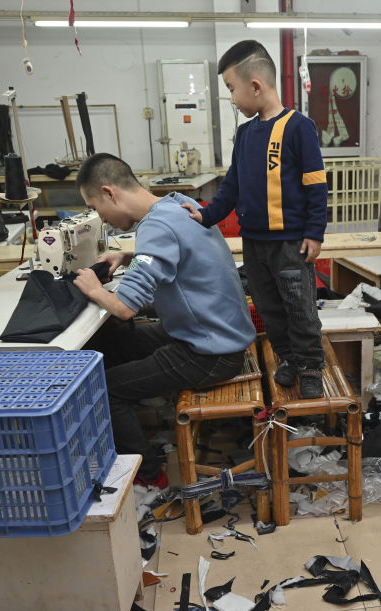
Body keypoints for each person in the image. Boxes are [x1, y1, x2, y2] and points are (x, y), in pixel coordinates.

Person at [72, 153, 256, 488]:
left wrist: (94, 288)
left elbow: (124, 308)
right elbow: (177, 249)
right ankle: (122, 436)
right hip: (211, 333)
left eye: (96, 207)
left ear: (110, 193)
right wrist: (128, 255)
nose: (103, 219)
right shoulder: (178, 204)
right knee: (112, 344)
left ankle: (150, 475)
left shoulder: (155, 226)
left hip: (209, 353)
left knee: (105, 390)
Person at [181, 39, 328, 399]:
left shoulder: (299, 127)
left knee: (300, 308)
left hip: (290, 244)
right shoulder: (245, 134)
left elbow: (316, 184)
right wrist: (205, 215)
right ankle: (289, 358)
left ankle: (311, 365)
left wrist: (314, 232)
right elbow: (232, 186)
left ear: (256, 86)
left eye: (232, 89)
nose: (232, 99)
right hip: (255, 244)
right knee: (269, 308)